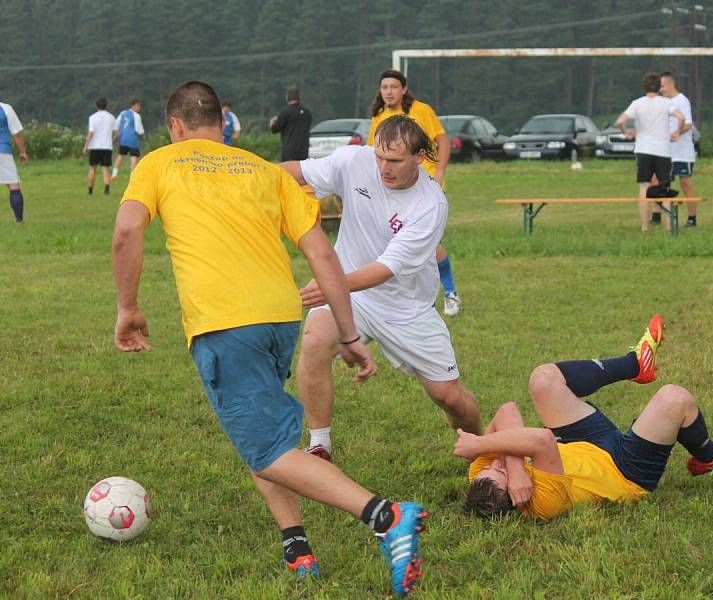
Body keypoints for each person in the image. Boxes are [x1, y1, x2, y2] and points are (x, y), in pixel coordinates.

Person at [111, 81, 426, 596]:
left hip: (224, 322)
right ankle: (296, 544)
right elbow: (323, 255)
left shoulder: (160, 162)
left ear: (175, 126)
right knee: (265, 434)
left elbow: (127, 232)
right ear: (221, 122)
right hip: (281, 318)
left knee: (267, 449)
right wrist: (347, 332)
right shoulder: (263, 170)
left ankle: (386, 516)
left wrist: (128, 308)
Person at [280, 115, 482, 463]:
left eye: (395, 161)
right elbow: (295, 172)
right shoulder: (354, 161)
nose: (384, 168)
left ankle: (482, 448)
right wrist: (245, 170)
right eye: (380, 157)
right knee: (314, 340)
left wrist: (331, 285)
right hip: (352, 296)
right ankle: (319, 445)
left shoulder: (430, 205)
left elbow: (385, 269)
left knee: (448, 396)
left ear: (419, 157)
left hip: (406, 307)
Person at [455, 315, 713, 520]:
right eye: (501, 472)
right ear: (519, 494)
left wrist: (508, 464)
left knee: (542, 379)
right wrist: (487, 450)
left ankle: (634, 365)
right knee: (674, 398)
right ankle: (708, 457)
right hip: (624, 471)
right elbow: (542, 439)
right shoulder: (542, 502)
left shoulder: (483, 474)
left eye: (489, 468)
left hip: (583, 443)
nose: (495, 462)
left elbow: (507, 410)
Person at [367, 69, 462, 316]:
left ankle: (450, 292)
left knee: (429, 246)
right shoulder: (379, 115)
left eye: (393, 87)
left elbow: (442, 140)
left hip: (422, 187)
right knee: (395, 241)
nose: (388, 91)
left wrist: (440, 171)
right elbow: (372, 152)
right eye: (384, 87)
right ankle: (411, 299)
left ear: (404, 89)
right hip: (391, 189)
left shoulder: (420, 110)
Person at [616, 73, 685, 231]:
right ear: (659, 87)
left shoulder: (637, 103)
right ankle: (669, 226)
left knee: (644, 187)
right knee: (665, 187)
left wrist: (626, 131)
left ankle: (644, 226)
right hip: (662, 151)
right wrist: (677, 132)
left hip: (643, 150)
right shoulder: (666, 102)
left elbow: (620, 121)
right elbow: (681, 117)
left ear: (644, 87)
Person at [660, 72, 699, 228]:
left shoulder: (682, 101)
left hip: (682, 152)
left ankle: (692, 219)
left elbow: (688, 124)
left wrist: (677, 133)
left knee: (685, 184)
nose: (660, 89)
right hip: (666, 152)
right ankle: (658, 216)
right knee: (660, 184)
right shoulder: (663, 102)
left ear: (670, 84)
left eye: (662, 86)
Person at [0, 100, 28, 224]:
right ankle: (19, 221)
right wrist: (22, 152)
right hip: (3, 151)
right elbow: (16, 134)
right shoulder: (6, 108)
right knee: (13, 185)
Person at [82, 97, 117, 195]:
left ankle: (90, 190)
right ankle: (106, 189)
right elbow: (117, 133)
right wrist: (112, 141)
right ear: (106, 105)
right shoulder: (111, 117)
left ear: (96, 106)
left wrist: (86, 146)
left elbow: (91, 133)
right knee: (105, 168)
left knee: (92, 168)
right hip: (107, 146)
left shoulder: (93, 117)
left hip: (95, 146)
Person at [270, 85, 312, 161]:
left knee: (288, 172)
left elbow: (274, 129)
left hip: (289, 151)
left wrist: (272, 122)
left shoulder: (285, 112)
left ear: (287, 97)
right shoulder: (307, 113)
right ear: (299, 97)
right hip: (304, 151)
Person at [111, 99, 145, 181]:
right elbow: (139, 130)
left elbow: (116, 124)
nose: (139, 107)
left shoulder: (123, 113)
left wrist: (117, 132)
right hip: (133, 140)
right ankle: (132, 177)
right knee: (134, 158)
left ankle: (114, 174)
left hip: (123, 139)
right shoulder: (136, 116)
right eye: (137, 106)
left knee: (120, 156)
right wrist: (143, 135)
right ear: (132, 106)